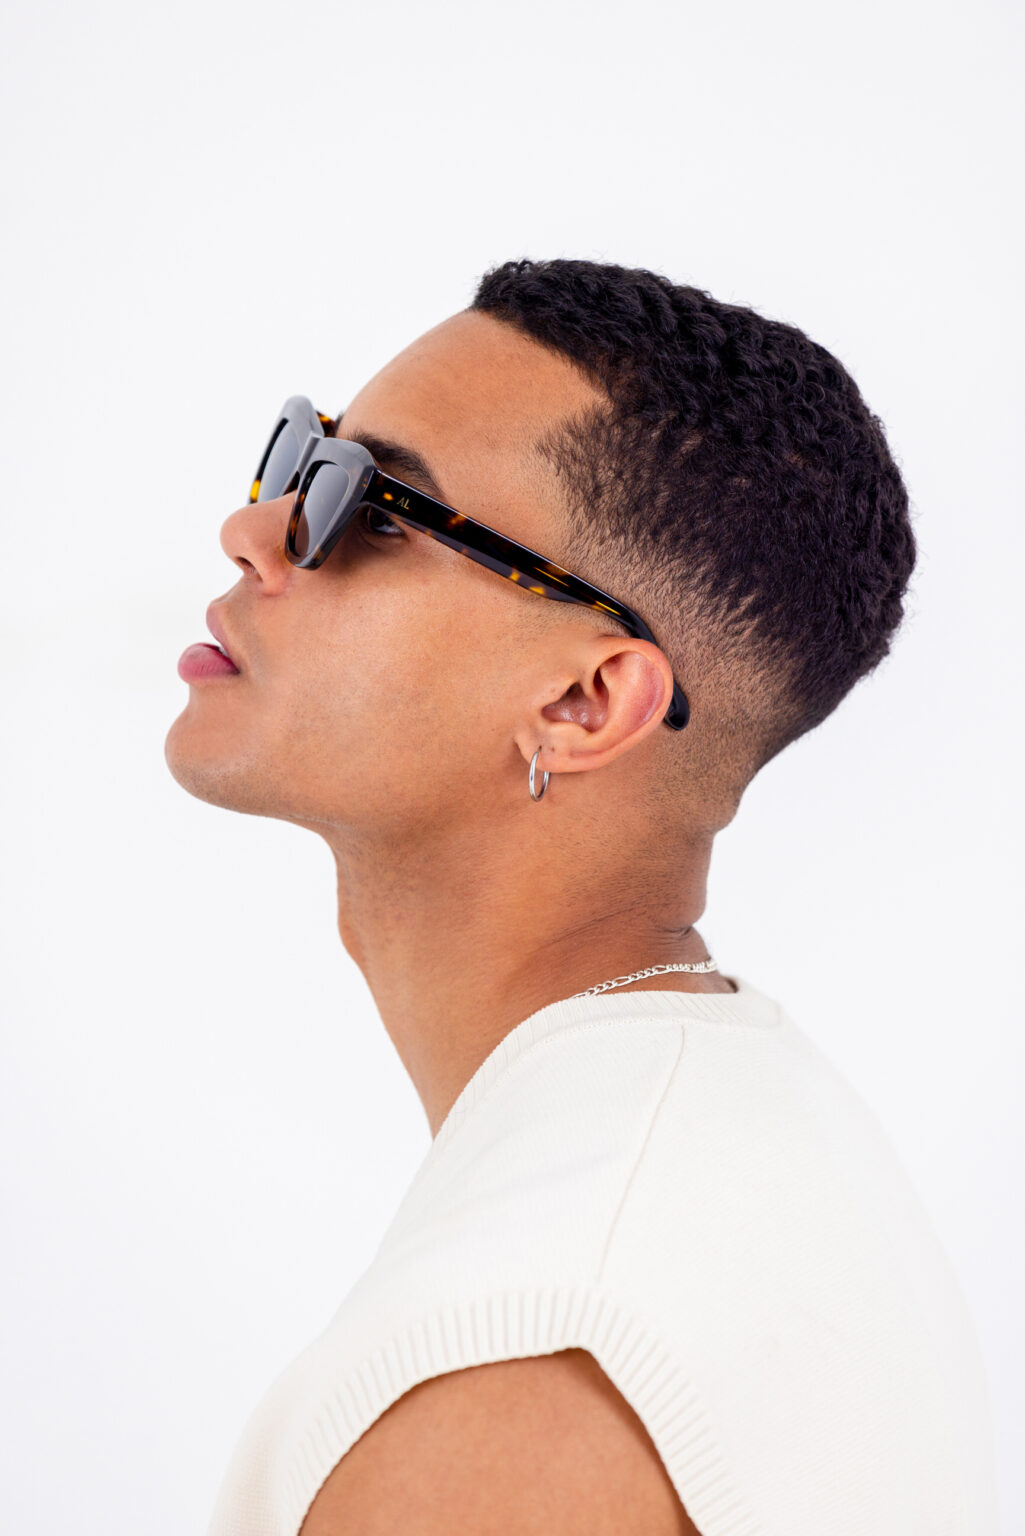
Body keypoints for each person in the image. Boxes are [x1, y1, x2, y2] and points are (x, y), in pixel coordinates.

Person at [165, 259, 998, 1536]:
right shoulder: (718, 1135)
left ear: (583, 701)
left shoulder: (525, 1370)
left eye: (372, 510)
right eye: (300, 455)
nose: (256, 529)